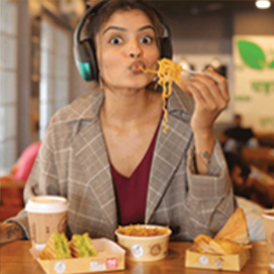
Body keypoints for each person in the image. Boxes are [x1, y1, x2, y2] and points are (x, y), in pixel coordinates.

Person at [0, 0, 235, 244]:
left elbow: (215, 231)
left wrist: (204, 130)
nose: (135, 50)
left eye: (146, 40)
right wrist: (8, 230)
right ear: (90, 58)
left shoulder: (190, 121)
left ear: (162, 54)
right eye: (116, 40)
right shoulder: (65, 126)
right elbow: (40, 216)